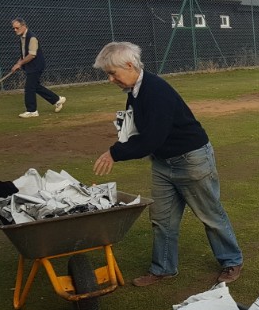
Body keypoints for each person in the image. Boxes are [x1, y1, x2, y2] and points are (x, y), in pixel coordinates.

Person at [92, 42, 244, 287]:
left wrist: (114, 153)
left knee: (210, 214)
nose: (110, 79)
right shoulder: (134, 92)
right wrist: (121, 142)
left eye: (112, 73)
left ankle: (232, 260)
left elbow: (151, 139)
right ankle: (163, 268)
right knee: (162, 219)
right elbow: (136, 130)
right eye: (107, 74)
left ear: (129, 65)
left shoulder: (156, 90)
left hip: (191, 159)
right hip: (163, 163)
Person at [11, 18, 66, 118]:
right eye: (13, 28)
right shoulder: (22, 37)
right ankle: (57, 100)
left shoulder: (32, 38)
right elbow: (24, 54)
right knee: (35, 86)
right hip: (30, 66)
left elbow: (32, 55)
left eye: (17, 28)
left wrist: (20, 64)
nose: (15, 30)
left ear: (23, 26)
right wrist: (18, 63)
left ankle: (32, 111)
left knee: (29, 88)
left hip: (36, 66)